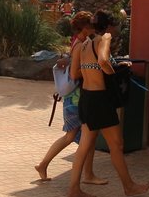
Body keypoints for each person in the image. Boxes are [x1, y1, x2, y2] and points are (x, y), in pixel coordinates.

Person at [69, 10, 149, 197]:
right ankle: (129, 187)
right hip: (100, 100)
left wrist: (92, 70)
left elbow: (75, 74)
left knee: (84, 146)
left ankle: (73, 188)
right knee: (116, 144)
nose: (115, 30)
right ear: (108, 26)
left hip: (87, 97)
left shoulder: (84, 44)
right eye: (115, 26)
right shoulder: (103, 38)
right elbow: (103, 60)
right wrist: (113, 73)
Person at [38, 13, 105, 185]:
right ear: (85, 28)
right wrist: (92, 68)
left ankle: (86, 173)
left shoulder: (79, 42)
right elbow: (75, 73)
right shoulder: (80, 45)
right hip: (76, 98)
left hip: (75, 97)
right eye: (91, 26)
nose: (94, 29)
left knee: (82, 137)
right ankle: (46, 165)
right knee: (77, 136)